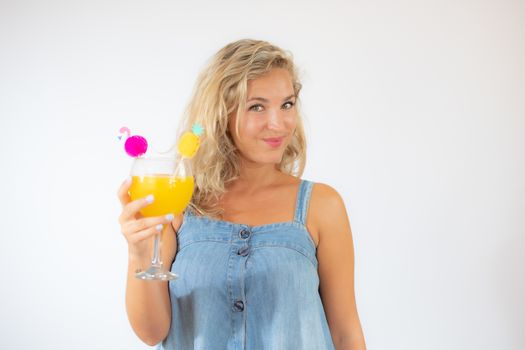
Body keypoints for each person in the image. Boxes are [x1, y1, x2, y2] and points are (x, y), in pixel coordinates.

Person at [117, 38, 366, 350]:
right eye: (257, 106)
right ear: (222, 113)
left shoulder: (321, 206)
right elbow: (152, 332)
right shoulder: (180, 203)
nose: (278, 123)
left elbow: (345, 333)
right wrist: (139, 255)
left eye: (286, 104)